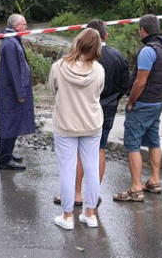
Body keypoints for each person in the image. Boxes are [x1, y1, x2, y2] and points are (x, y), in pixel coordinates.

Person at [54, 20, 129, 206]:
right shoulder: (117, 56)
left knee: (77, 154)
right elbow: (125, 84)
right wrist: (113, 98)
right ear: (106, 35)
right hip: (107, 110)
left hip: (79, 110)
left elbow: (56, 88)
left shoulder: (71, 63)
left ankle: (76, 194)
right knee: (99, 151)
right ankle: (92, 196)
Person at [114, 14, 162, 202]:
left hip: (143, 103)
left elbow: (140, 82)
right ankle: (154, 181)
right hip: (157, 102)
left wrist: (131, 101)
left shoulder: (148, 51)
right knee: (153, 141)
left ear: (142, 30)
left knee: (132, 144)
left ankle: (135, 189)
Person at [49, 28, 105, 229]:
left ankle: (67, 216)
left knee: (67, 168)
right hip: (92, 124)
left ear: (78, 42)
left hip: (65, 123)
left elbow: (52, 90)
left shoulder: (58, 67)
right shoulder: (99, 69)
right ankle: (90, 214)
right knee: (91, 167)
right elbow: (99, 91)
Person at [0, 14, 36, 170]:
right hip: (10, 93)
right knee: (9, 124)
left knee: (13, 123)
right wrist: (20, 93)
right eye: (24, 24)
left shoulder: (13, 40)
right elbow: (14, 71)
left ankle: (8, 153)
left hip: (11, 92)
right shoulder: (10, 44)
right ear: (16, 26)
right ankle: (5, 160)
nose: (26, 27)